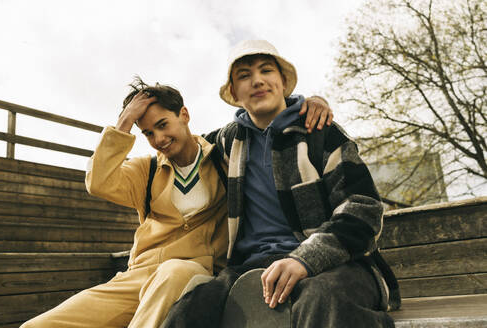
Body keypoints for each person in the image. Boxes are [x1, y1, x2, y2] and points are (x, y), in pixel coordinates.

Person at [20, 76, 332, 328]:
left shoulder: (223, 153)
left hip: (195, 272)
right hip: (139, 276)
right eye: (148, 133)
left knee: (173, 271)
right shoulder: (147, 169)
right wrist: (124, 122)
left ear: (184, 115)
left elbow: (261, 118)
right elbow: (98, 181)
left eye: (162, 125)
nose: (158, 139)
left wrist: (307, 103)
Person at [161, 40, 401, 328]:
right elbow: (179, 145)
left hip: (335, 263)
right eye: (244, 76)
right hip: (252, 269)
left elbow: (364, 209)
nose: (258, 81)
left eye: (266, 71)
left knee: (318, 299)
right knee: (189, 311)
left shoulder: (321, 133)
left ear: (283, 81)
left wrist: (305, 260)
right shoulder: (227, 142)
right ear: (235, 93)